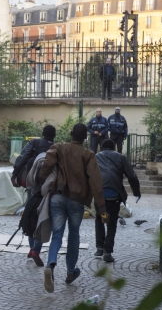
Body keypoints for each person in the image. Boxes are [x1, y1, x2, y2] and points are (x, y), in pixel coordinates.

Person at [39, 123, 108, 291]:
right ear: (85, 138)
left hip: (58, 196)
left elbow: (47, 162)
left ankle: (50, 265)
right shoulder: (88, 155)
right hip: (77, 200)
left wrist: (43, 178)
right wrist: (102, 208)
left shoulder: (59, 147)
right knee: (74, 235)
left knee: (57, 234)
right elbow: (96, 182)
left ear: (70, 134)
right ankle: (70, 271)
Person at [10, 125, 56, 266]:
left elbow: (22, 158)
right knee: (43, 217)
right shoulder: (56, 148)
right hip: (48, 187)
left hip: (32, 184)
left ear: (42, 134)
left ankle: (31, 248)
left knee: (30, 213)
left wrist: (15, 175)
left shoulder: (34, 143)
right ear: (54, 136)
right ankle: (36, 249)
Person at [94, 139, 141, 262]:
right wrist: (136, 193)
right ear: (114, 147)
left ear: (102, 147)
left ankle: (99, 247)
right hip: (114, 195)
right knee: (112, 223)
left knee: (99, 219)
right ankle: (107, 252)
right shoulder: (121, 157)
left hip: (99, 194)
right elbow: (132, 176)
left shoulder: (96, 157)